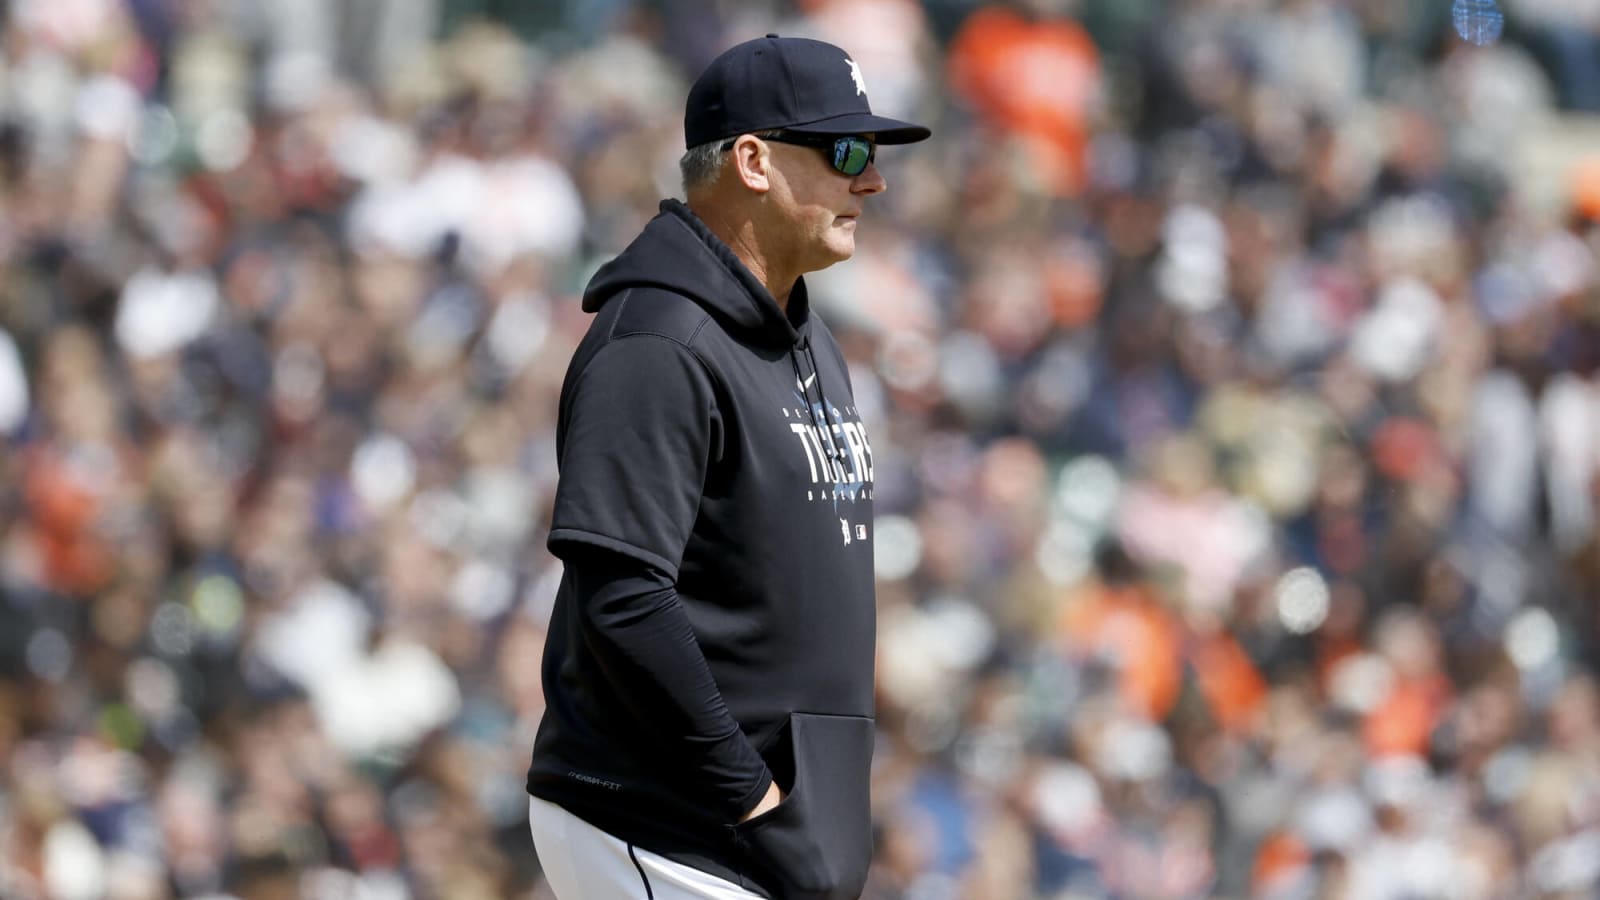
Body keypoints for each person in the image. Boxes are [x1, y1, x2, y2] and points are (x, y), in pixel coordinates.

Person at [523, 33, 931, 900]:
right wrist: (753, 799)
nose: (873, 179)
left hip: (756, 830)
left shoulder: (807, 336)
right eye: (845, 150)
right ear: (752, 159)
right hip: (667, 820)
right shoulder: (660, 342)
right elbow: (623, 598)